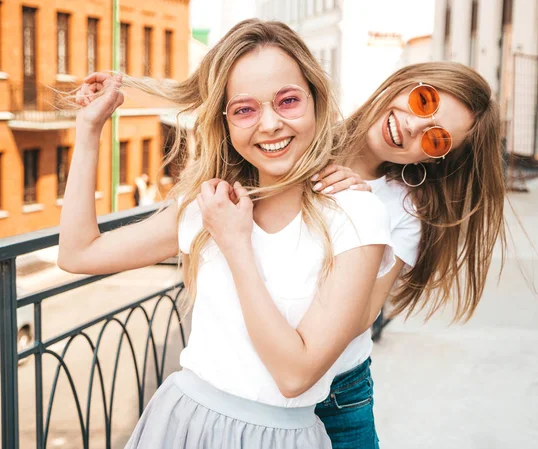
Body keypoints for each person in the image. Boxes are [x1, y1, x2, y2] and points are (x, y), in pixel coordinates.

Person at [58, 19, 395, 449]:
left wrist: (236, 244)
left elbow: (296, 375)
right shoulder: (213, 204)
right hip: (181, 424)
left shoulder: (355, 214)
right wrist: (88, 130)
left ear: (315, 101)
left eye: (288, 101)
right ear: (225, 122)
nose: (270, 124)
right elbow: (79, 253)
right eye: (245, 109)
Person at [309, 62, 507, 448]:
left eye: (435, 140)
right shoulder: (299, 142)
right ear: (403, 83)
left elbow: (361, 316)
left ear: (432, 161)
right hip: (253, 381)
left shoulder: (403, 208)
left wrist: (358, 209)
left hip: (337, 396)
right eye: (423, 101)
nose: (416, 127)